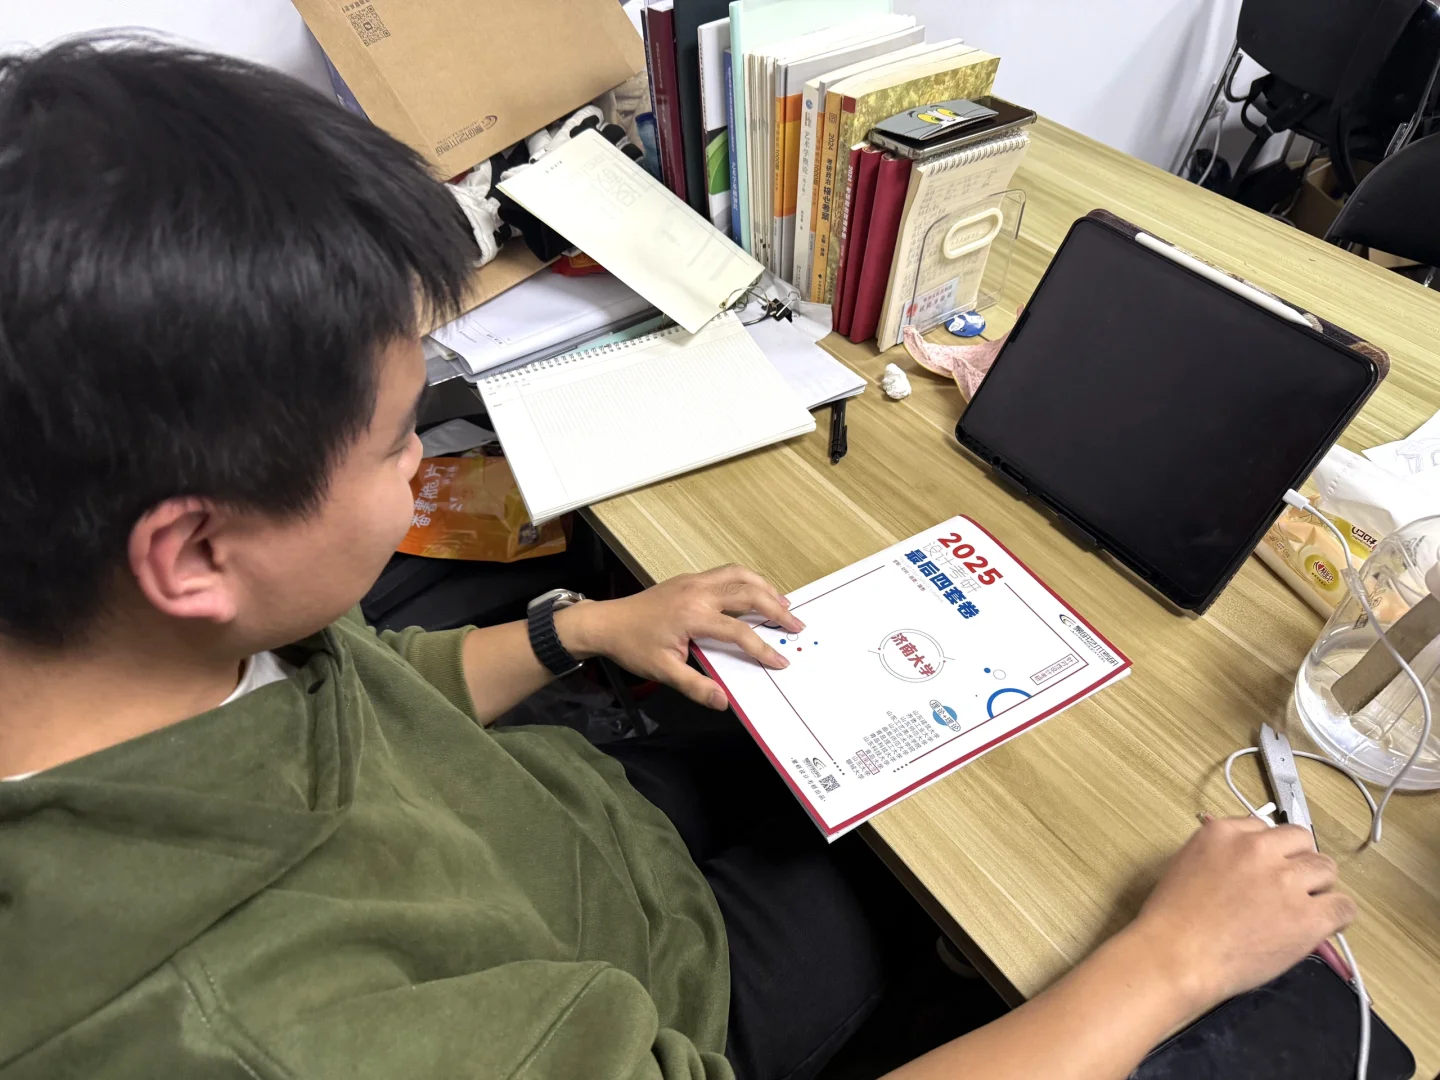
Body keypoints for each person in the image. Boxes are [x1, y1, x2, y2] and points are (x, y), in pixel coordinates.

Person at [0, 38, 1356, 1080]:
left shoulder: (152, 634)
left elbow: (361, 682)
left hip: (556, 825)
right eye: (395, 441)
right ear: (195, 551)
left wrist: (578, 631)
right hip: (669, 989)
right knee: (1020, 885)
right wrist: (1174, 966)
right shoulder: (266, 1026)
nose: (420, 467)